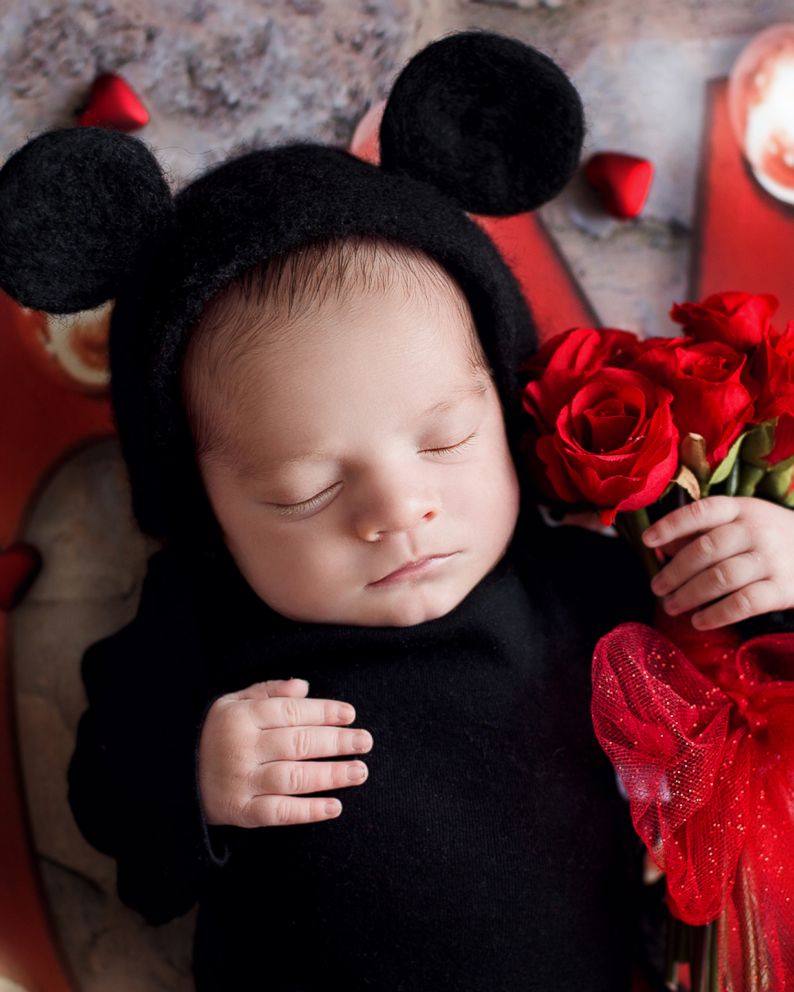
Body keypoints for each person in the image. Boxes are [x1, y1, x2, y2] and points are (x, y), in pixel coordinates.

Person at [3, 29, 794, 992]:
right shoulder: (205, 621)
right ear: (207, 511)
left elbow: (744, 695)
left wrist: (768, 569)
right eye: (307, 491)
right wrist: (198, 778)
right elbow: (107, 793)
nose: (397, 509)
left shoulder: (579, 586)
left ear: (505, 416)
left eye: (447, 442)